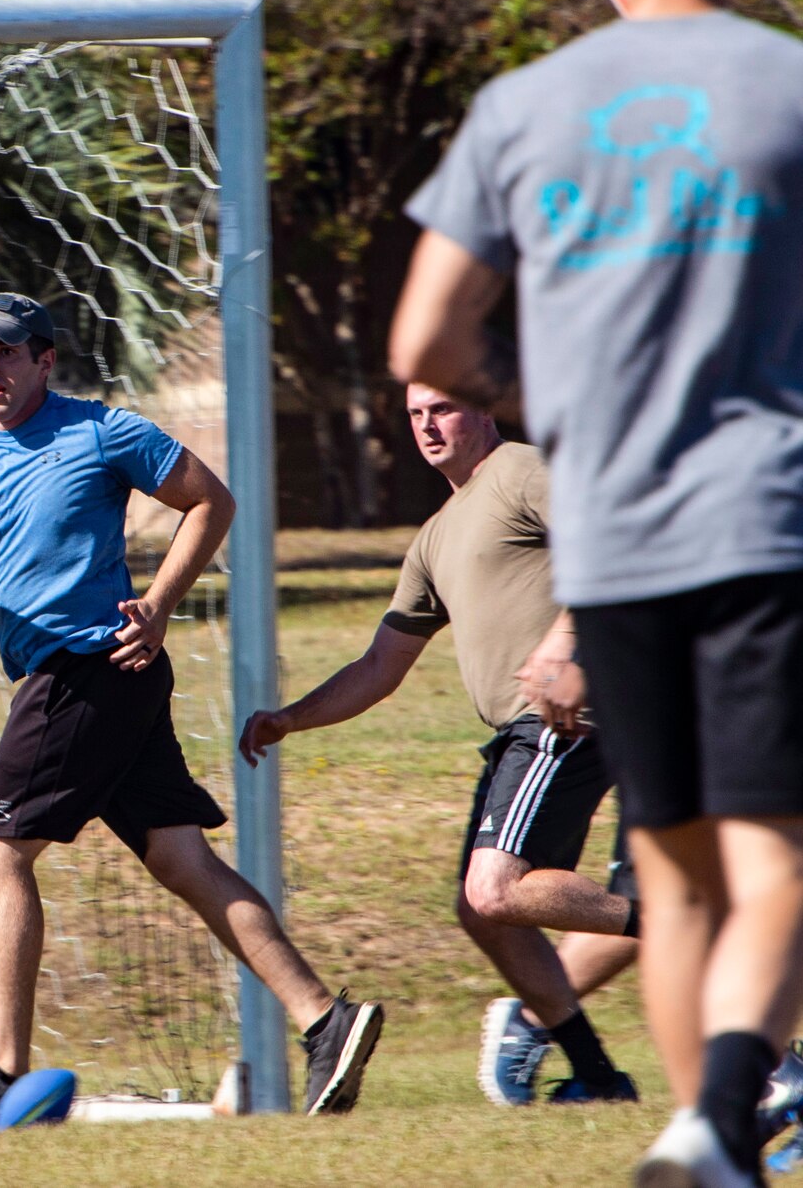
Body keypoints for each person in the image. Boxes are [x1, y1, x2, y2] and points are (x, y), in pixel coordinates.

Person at [387, 0, 803, 1181]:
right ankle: (734, 1095)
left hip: (617, 545)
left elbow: (428, 330)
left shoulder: (524, 106)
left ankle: (706, 1131)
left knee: (673, 862)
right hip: (763, 522)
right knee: (772, 845)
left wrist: (550, 384)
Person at [0, 291, 384, 1120]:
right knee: (182, 860)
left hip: (87, 667)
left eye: (8, 352)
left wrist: (160, 602)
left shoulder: (101, 431)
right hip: (88, 681)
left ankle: (3, 1070)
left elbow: (212, 500)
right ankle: (326, 1020)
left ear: (46, 361)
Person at [241, 384, 643, 1106]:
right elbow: (378, 667)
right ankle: (597, 1074)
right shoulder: (433, 536)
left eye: (444, 408)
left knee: (494, 886)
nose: (428, 425)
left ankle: (681, 927)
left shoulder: (520, 469)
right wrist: (290, 719)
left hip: (567, 714)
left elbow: (608, 543)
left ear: (482, 408)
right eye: (416, 413)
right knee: (481, 908)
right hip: (524, 731)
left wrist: (564, 642)